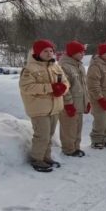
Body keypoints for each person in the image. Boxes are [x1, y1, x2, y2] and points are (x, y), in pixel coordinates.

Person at [20, 39, 69, 171]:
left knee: (49, 134)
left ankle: (46, 157)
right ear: (37, 53)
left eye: (51, 51)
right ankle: (37, 159)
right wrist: (51, 87)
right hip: (39, 108)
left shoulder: (55, 66)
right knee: (42, 134)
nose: (49, 53)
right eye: (45, 51)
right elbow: (27, 87)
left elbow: (65, 82)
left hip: (54, 107)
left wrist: (63, 88)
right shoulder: (29, 69)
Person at [59, 41, 88, 157]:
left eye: (83, 52)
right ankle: (68, 149)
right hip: (70, 104)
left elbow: (84, 86)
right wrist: (68, 104)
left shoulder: (79, 65)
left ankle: (76, 147)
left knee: (77, 127)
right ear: (72, 53)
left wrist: (87, 101)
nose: (82, 54)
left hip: (79, 102)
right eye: (79, 52)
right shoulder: (64, 66)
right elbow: (65, 88)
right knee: (69, 128)